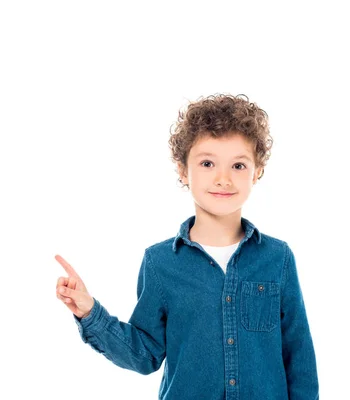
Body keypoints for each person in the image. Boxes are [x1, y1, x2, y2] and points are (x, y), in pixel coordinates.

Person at [55, 93, 319, 399]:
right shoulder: (160, 262)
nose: (223, 178)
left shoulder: (278, 258)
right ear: (183, 171)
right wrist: (90, 312)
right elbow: (145, 354)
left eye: (238, 165)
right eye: (207, 163)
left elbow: (299, 357)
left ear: (257, 171)